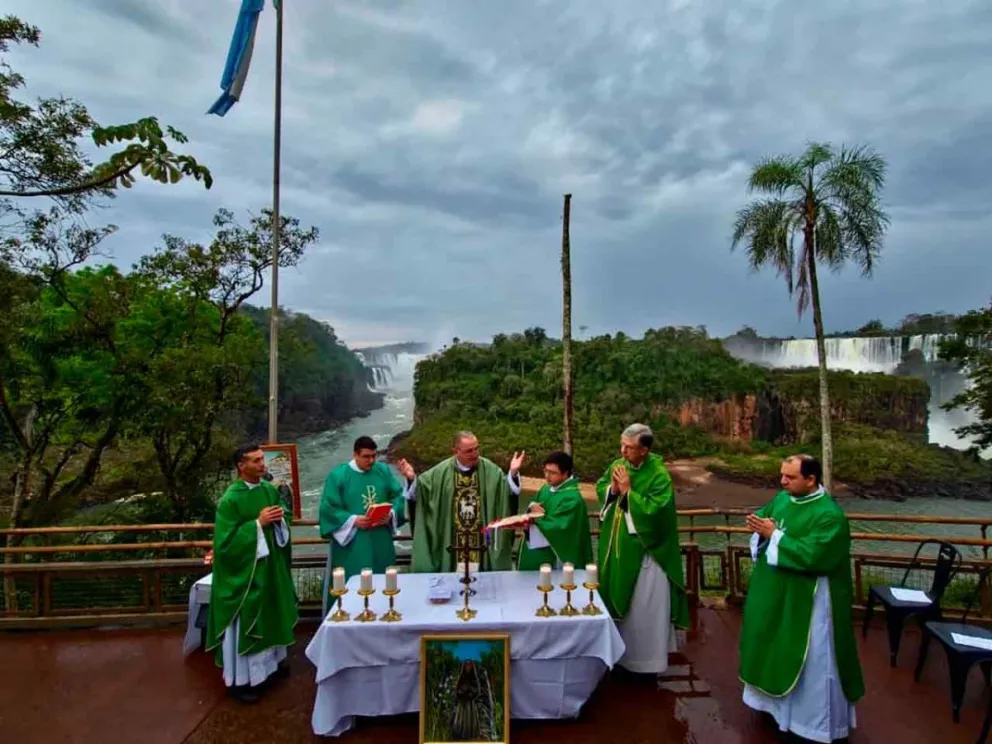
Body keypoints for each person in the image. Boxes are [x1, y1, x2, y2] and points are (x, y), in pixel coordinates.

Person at [740, 454, 864, 743]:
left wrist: (775, 535)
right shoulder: (783, 499)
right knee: (773, 643)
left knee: (810, 657)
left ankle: (811, 724)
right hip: (777, 590)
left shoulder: (829, 515)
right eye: (782, 475)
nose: (782, 481)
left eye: (790, 477)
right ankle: (774, 708)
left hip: (811, 599)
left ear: (811, 479)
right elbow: (766, 519)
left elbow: (816, 555)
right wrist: (759, 526)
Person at [205, 443, 299, 703]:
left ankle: (272, 666)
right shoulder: (230, 500)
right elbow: (224, 545)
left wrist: (280, 519)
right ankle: (242, 681)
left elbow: (285, 516)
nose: (262, 464)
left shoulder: (269, 489)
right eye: (256, 460)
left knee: (272, 615)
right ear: (241, 465)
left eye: (262, 459)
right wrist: (258, 524)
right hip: (246, 575)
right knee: (250, 621)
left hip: (270, 569)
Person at [596, 423, 689, 675]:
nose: (622, 451)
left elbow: (657, 513)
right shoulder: (619, 465)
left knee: (643, 610)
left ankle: (645, 664)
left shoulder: (659, 475)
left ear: (644, 450)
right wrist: (613, 490)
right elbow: (602, 486)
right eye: (622, 445)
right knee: (622, 607)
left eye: (629, 447)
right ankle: (619, 658)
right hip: (618, 549)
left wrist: (628, 492)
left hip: (646, 554)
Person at [318, 436, 415, 614]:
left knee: (384, 585)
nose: (371, 461)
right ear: (355, 454)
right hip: (353, 542)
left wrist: (390, 514)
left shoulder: (382, 471)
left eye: (373, 456)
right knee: (353, 588)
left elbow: (398, 495)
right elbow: (328, 508)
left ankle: (386, 615)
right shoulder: (338, 475)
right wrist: (353, 520)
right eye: (366, 457)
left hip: (380, 539)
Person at [408, 431, 525, 572]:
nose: (475, 454)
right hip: (452, 545)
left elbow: (505, 492)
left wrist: (512, 474)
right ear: (455, 451)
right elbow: (421, 493)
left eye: (476, 449)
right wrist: (411, 479)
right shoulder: (439, 473)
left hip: (481, 545)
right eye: (469, 451)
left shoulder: (490, 470)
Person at [517, 451, 593, 570]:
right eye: (545, 471)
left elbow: (559, 527)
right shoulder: (546, 489)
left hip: (558, 555)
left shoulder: (573, 499)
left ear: (565, 473)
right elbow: (534, 507)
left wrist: (532, 519)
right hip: (538, 547)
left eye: (552, 473)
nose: (547, 476)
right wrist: (531, 507)